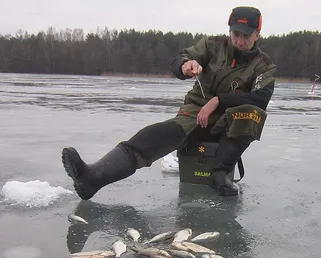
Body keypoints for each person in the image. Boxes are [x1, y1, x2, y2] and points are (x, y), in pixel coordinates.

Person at [61, 6, 276, 199]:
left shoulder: (264, 66)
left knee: (252, 113)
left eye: (246, 36)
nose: (239, 41)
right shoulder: (212, 45)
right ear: (229, 30)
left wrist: (219, 102)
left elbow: (261, 98)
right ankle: (93, 178)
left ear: (257, 34)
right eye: (235, 34)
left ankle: (220, 173)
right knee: (160, 134)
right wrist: (185, 65)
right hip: (195, 113)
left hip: (230, 124)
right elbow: (179, 59)